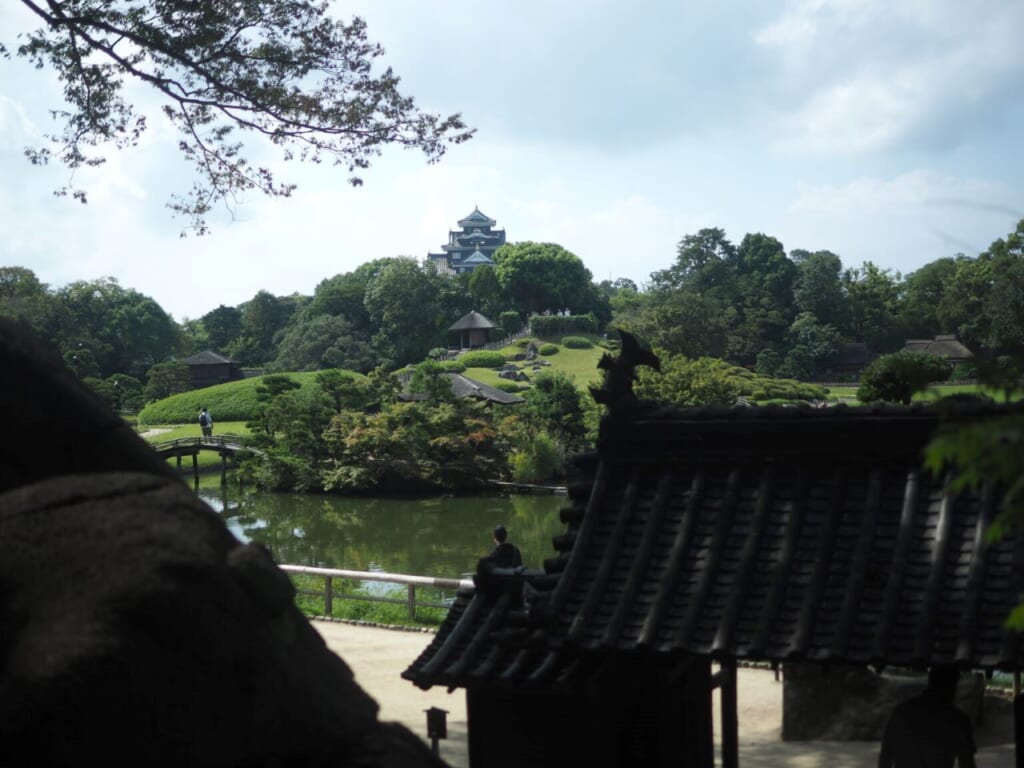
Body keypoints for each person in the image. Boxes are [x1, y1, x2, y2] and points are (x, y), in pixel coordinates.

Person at [878, 665, 977, 768]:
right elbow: (967, 763)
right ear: (952, 686)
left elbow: (885, 756)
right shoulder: (958, 720)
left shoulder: (901, 712)